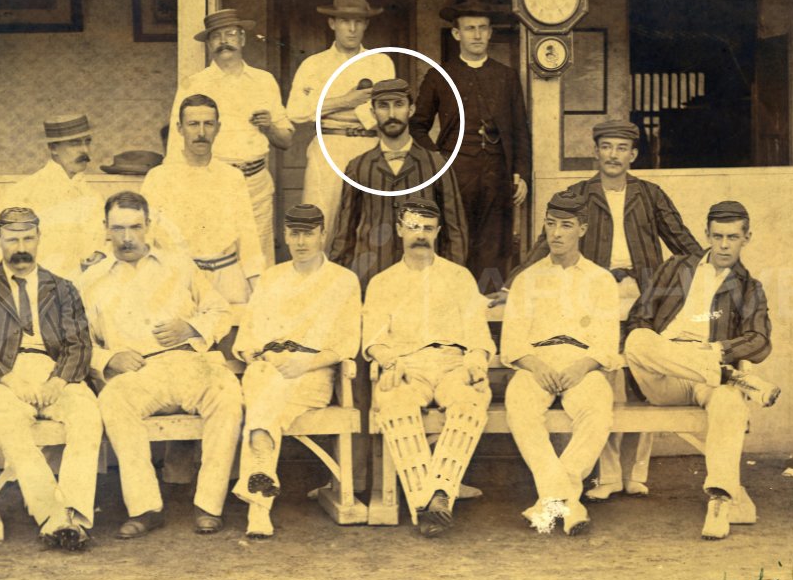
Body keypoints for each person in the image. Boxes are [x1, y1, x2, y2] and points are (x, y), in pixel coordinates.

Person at [505, 118, 701, 501]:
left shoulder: (650, 194)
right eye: (606, 147)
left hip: (642, 291)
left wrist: (707, 278)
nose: (613, 155)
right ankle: (608, 474)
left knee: (643, 375)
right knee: (604, 376)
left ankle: (636, 472)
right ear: (595, 151)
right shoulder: (579, 193)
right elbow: (546, 245)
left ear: (633, 154)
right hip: (594, 290)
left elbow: (683, 242)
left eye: (621, 148)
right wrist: (510, 283)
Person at [79, 191, 243, 538]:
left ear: (149, 226)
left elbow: (220, 310)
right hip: (137, 374)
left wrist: (192, 327)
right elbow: (77, 342)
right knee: (112, 400)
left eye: (135, 227)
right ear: (105, 229)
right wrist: (110, 358)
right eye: (118, 228)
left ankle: (208, 505)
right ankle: (145, 508)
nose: (127, 238)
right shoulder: (91, 279)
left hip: (189, 362)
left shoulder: (179, 265)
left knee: (227, 391)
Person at [623, 200, 779, 540]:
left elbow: (759, 340)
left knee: (729, 402)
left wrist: (718, 352)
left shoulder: (750, 288)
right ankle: (723, 374)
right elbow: (639, 317)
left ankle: (721, 499)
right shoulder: (675, 268)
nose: (724, 245)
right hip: (663, 373)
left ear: (746, 238)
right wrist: (676, 352)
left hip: (705, 371)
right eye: (718, 236)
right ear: (707, 234)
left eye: (733, 238)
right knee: (636, 339)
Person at [0, 206, 101, 551]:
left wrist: (58, 381)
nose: (21, 247)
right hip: (6, 377)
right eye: (12, 239)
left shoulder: (62, 289)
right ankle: (51, 515)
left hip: (55, 374)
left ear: (39, 239)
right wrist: (8, 378)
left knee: (87, 413)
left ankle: (75, 515)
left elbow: (80, 343)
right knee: (8, 422)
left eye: (28, 238)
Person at [363, 199, 494, 536]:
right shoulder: (382, 282)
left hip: (453, 362)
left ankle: (431, 498)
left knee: (470, 402)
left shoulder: (459, 277)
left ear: (437, 232)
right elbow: (373, 340)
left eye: (426, 228)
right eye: (412, 226)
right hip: (408, 364)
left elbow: (478, 336)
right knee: (393, 401)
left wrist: (475, 364)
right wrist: (390, 362)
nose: (419, 234)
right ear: (399, 230)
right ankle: (438, 495)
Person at [232, 203, 361, 538]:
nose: (301, 241)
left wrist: (305, 362)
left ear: (322, 235)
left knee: (265, 401)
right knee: (267, 384)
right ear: (285, 236)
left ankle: (258, 503)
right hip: (267, 369)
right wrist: (259, 357)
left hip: (312, 374)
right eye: (294, 233)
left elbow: (347, 345)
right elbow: (247, 336)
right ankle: (260, 499)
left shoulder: (343, 281)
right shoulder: (272, 278)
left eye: (308, 233)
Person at [501, 192, 620, 537]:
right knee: (520, 407)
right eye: (551, 224)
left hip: (582, 364)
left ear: (582, 228)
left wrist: (581, 367)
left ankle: (552, 500)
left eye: (566, 226)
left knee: (598, 410)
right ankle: (569, 500)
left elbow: (607, 345)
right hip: (536, 363)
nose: (556, 233)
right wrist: (536, 366)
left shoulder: (600, 280)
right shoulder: (527, 279)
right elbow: (512, 344)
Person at [410, 2, 531, 293]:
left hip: (498, 175)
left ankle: (488, 304)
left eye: (482, 28)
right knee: (456, 238)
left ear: (490, 33)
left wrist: (521, 173)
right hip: (455, 175)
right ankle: (455, 301)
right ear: (456, 34)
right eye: (469, 29)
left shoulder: (506, 76)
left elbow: (520, 129)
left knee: (494, 241)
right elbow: (416, 126)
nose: (476, 35)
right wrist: (438, 159)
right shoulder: (440, 75)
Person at [165, 9, 293, 266]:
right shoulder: (195, 83)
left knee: (260, 257)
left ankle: (258, 307)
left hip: (256, 182)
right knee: (215, 253)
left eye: (231, 34)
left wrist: (268, 127)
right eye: (216, 36)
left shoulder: (263, 81)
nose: (224, 41)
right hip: (215, 181)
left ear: (243, 39)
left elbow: (286, 140)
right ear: (209, 44)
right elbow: (176, 143)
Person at [329, 78, 467, 290]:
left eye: (399, 105)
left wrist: (451, 280)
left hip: (425, 281)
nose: (392, 114)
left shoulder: (436, 164)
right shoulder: (358, 166)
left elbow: (454, 230)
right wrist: (341, 283)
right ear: (373, 112)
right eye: (383, 106)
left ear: (411, 110)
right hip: (371, 279)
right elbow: (344, 233)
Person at [142, 93, 266, 314]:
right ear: (179, 128)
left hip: (228, 278)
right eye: (193, 124)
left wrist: (258, 293)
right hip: (180, 280)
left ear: (218, 127)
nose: (201, 133)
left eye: (208, 124)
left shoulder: (232, 176)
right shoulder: (158, 177)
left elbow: (248, 239)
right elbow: (147, 238)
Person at [286, 0, 396, 227]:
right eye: (345, 21)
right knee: (322, 219)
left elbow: (385, 115)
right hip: (329, 147)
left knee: (368, 222)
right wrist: (344, 101)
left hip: (369, 146)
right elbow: (295, 111)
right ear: (332, 23)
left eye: (358, 21)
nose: (352, 29)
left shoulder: (381, 62)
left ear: (366, 24)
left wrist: (327, 107)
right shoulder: (314, 64)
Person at [0, 114, 106, 281]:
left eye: (87, 141)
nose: (85, 150)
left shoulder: (93, 196)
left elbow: (101, 241)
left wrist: (99, 252)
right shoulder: (25, 193)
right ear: (54, 148)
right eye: (75, 143)